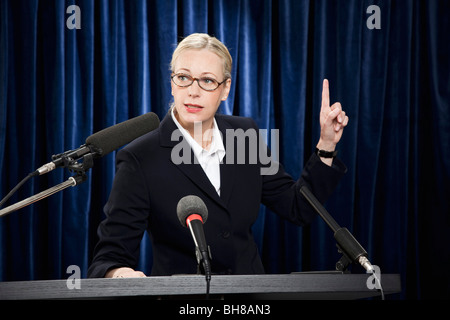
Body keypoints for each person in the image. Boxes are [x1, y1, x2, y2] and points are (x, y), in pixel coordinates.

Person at [87, 33, 349, 278]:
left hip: (249, 300)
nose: (193, 91)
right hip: (182, 302)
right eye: (183, 77)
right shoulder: (140, 157)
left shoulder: (244, 135)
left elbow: (297, 208)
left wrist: (326, 144)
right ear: (172, 83)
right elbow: (110, 256)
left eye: (208, 81)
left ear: (225, 89)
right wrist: (121, 273)